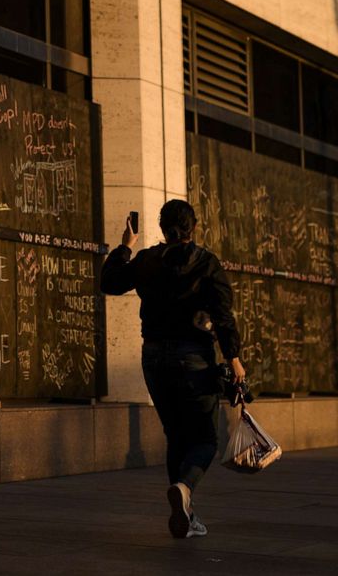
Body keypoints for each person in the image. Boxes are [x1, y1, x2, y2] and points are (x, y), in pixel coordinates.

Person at [100, 199, 246, 539]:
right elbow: (223, 315)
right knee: (206, 439)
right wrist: (234, 358)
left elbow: (110, 282)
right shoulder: (207, 264)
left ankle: (186, 512)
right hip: (193, 360)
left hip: (153, 359)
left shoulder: (148, 259)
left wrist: (125, 246)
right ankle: (185, 488)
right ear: (194, 227)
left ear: (162, 227)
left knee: (176, 436)